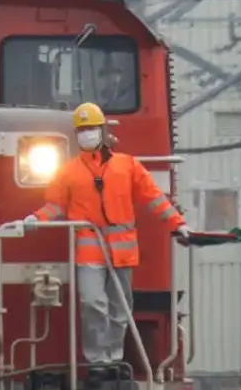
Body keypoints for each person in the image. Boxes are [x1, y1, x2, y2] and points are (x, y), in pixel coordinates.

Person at [24, 101, 190, 371]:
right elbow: (54, 206)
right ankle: (97, 359)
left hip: (122, 252)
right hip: (90, 251)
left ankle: (113, 357)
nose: (86, 134)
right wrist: (35, 219)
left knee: (120, 306)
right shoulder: (68, 171)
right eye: (81, 129)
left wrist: (178, 223)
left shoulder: (128, 166)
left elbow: (154, 198)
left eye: (91, 128)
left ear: (102, 131)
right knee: (92, 302)